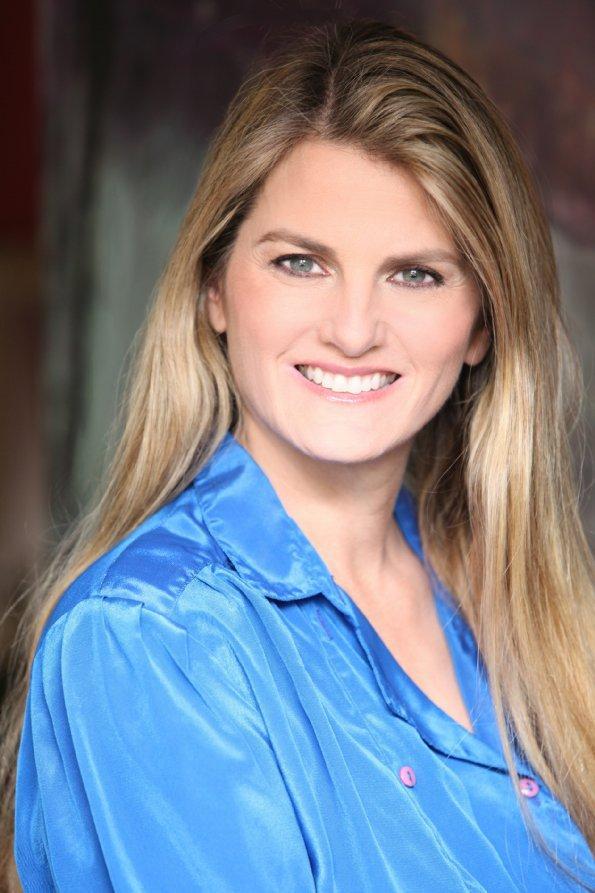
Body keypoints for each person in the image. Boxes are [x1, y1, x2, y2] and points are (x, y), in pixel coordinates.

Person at [1, 17, 594, 893]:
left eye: (415, 273)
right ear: (214, 288)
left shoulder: (506, 598)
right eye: (299, 263)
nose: (352, 330)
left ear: (480, 323)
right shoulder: (151, 635)